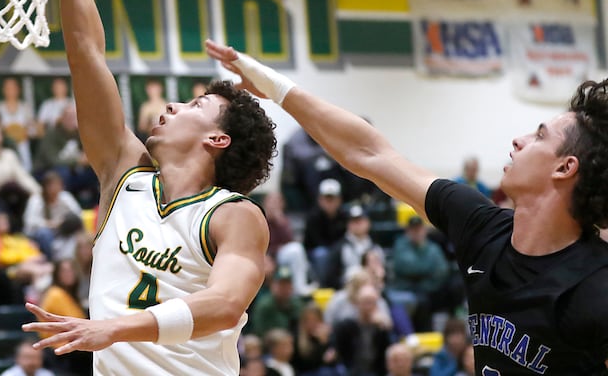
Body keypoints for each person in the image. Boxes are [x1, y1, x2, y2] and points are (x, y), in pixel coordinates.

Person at [205, 40, 608, 374]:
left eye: (539, 137)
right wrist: (277, 88)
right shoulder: (481, 226)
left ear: (565, 167)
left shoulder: (595, 286)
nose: (520, 140)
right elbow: (369, 153)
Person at [22, 0, 277, 376]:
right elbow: (85, 51)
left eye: (196, 105)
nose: (173, 106)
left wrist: (113, 329)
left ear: (216, 139)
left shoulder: (233, 216)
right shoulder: (124, 174)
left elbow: (225, 304)